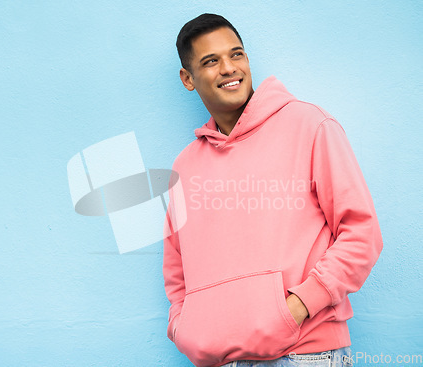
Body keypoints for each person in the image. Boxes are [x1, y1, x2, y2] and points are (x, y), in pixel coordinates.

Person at [162, 13, 383, 367]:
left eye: (236, 55)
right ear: (188, 79)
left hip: (305, 354)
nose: (229, 68)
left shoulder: (309, 126)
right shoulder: (184, 167)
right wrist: (183, 326)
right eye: (211, 61)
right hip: (219, 360)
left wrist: (297, 306)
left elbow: (362, 233)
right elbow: (176, 268)